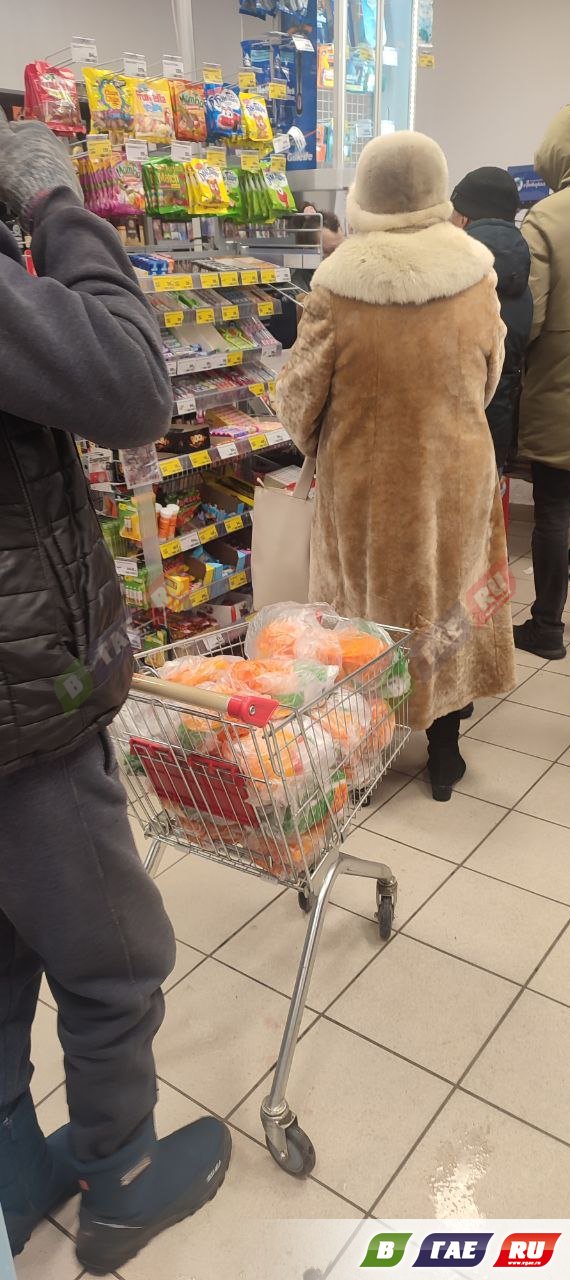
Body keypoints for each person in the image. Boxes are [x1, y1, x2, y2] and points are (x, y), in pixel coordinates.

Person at [0, 118, 230, 1271]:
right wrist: (57, 203)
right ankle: (124, 1177)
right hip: (23, 706)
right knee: (114, 951)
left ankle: (14, 1170)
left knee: (5, 950)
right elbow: (134, 384)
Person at [276, 132, 516, 801]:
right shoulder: (476, 274)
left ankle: (363, 750)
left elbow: (299, 399)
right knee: (450, 597)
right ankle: (445, 751)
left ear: (366, 193)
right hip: (456, 471)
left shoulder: (338, 285)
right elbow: (489, 375)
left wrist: (322, 439)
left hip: (365, 483)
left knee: (363, 612)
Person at [513, 104, 570, 661]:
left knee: (554, 512)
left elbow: (529, 316)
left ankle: (547, 627)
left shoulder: (547, 217)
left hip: (563, 389)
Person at [451, 166, 533, 471]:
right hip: (498, 428)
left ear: (463, 218)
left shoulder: (451, 274)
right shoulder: (523, 271)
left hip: (451, 430)